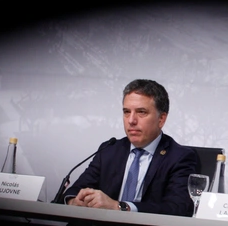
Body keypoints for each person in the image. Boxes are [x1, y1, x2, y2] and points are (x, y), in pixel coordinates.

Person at [56, 79, 198, 216]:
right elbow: (76, 189)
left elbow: (177, 208)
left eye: (141, 112)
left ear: (161, 119)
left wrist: (120, 207)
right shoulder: (109, 150)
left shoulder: (180, 157)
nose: (131, 120)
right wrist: (74, 201)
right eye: (126, 112)